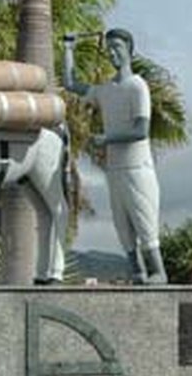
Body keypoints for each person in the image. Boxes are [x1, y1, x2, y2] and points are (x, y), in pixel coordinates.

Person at [62, 28, 167, 284]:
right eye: (109, 49)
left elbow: (141, 130)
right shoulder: (105, 90)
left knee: (144, 220)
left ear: (129, 50)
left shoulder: (137, 86)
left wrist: (107, 138)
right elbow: (70, 84)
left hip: (138, 167)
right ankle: (137, 272)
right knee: (122, 225)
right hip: (115, 168)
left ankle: (158, 272)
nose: (112, 53)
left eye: (117, 48)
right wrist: (68, 49)